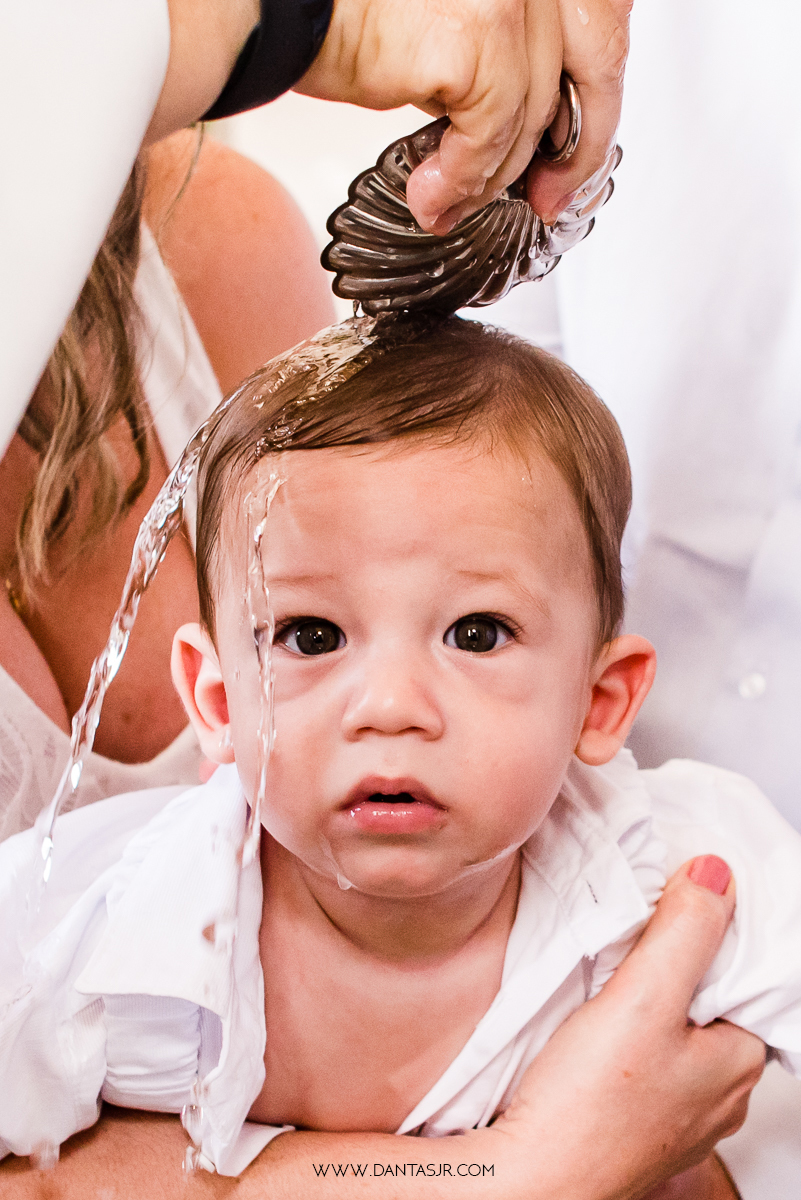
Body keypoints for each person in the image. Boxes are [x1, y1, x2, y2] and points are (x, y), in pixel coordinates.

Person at [4, 318, 788, 1198]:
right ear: (220, 702)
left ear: (597, 703)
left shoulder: (667, 873)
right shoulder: (102, 929)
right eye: (311, 635)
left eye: (476, 633)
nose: (389, 707)